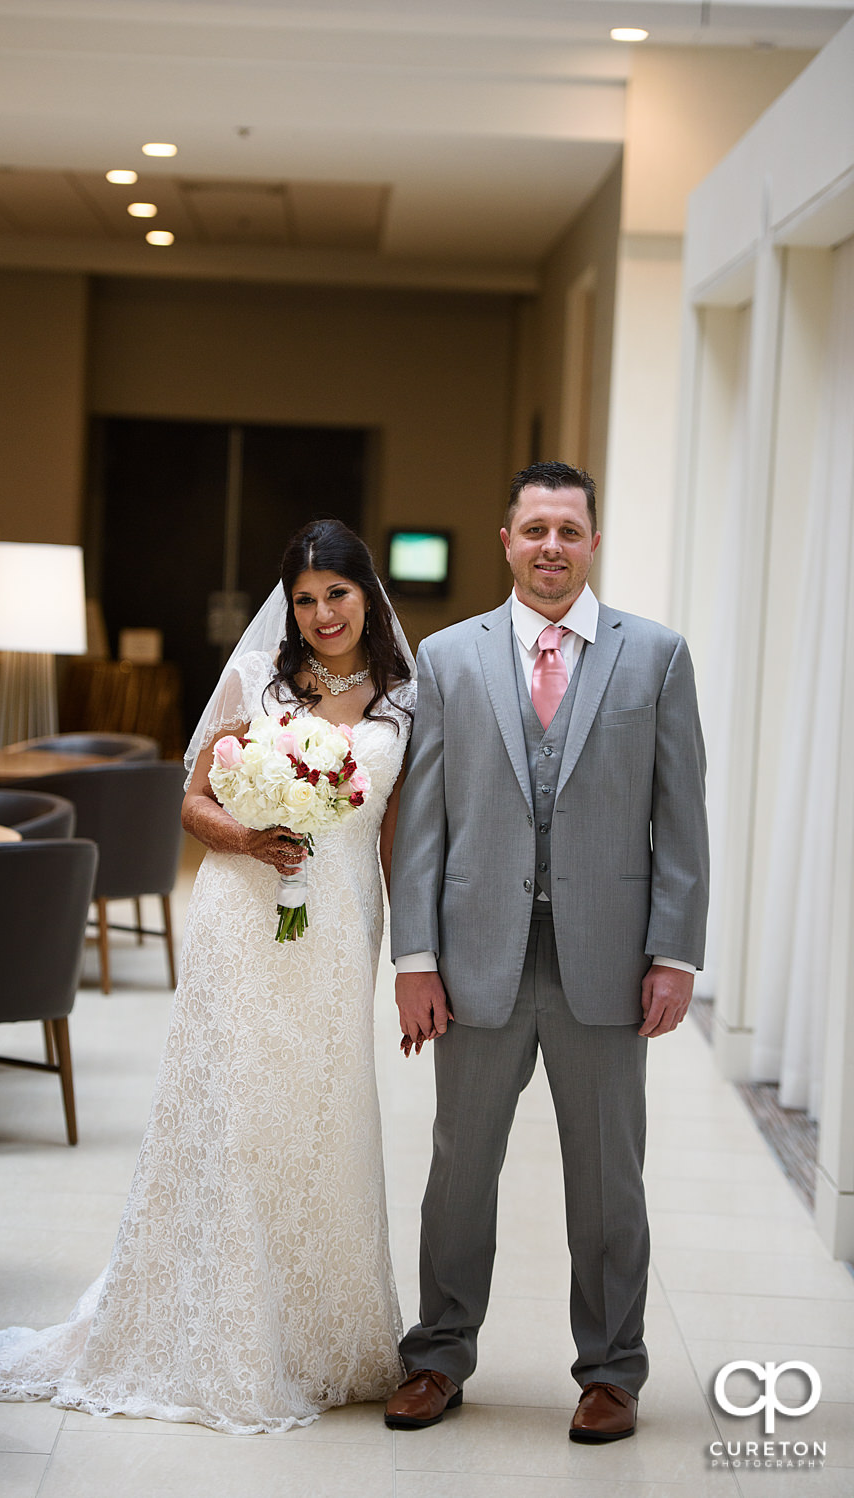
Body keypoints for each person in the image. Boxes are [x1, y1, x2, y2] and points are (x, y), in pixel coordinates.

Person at [0, 518, 416, 1434]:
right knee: (233, 1107)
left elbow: (398, 839)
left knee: (319, 1110)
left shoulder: (404, 699)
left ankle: (318, 1335)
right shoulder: (260, 679)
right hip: (240, 909)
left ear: (367, 593)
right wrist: (248, 835)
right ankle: (218, 1330)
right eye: (305, 599)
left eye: (336, 595)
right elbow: (191, 799)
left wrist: (413, 956)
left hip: (341, 923)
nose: (320, 615)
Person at [384, 462, 708, 1442]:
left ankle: (611, 1368)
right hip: (476, 953)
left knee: (609, 1174)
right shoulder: (447, 658)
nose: (551, 546)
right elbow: (424, 821)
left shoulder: (654, 656)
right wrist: (414, 958)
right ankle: (438, 1353)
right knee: (458, 1164)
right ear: (506, 539)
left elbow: (679, 818)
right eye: (534, 529)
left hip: (606, 961)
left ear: (592, 541)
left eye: (569, 529)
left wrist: (674, 953)